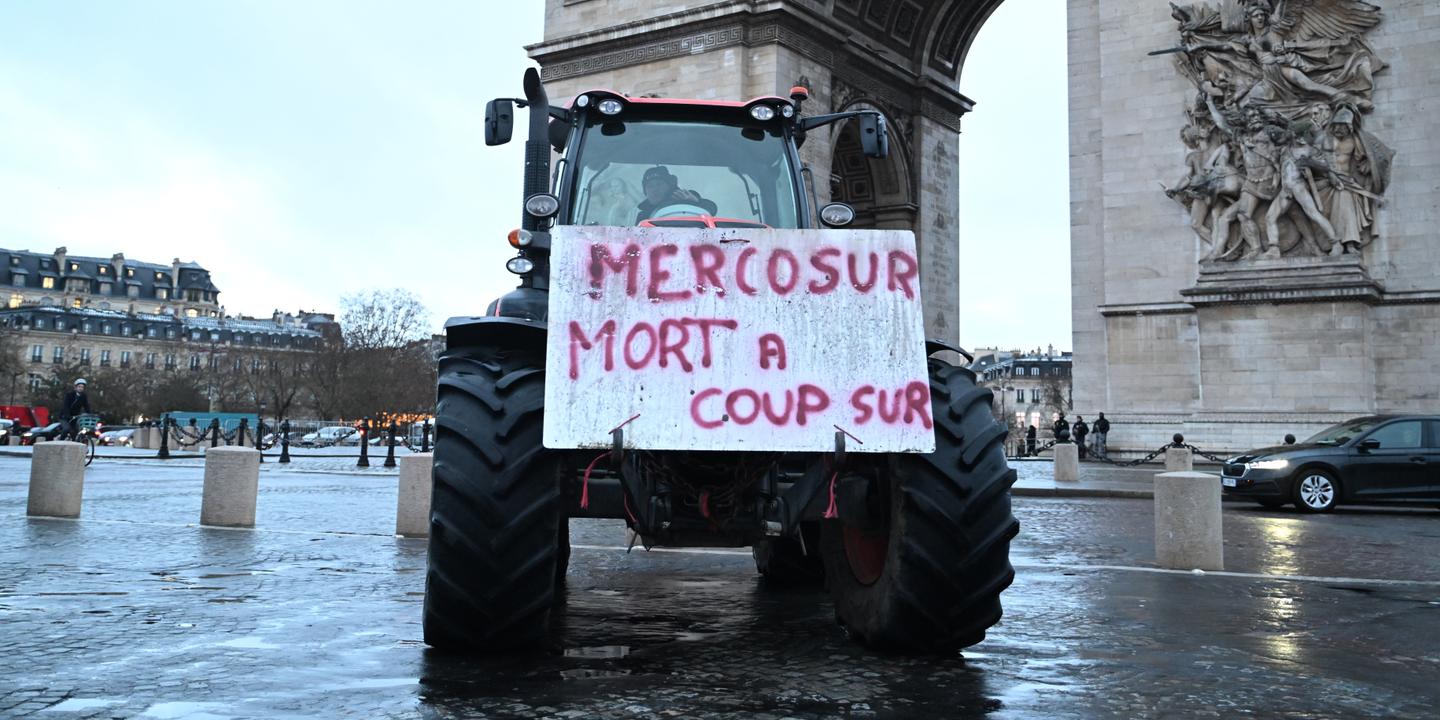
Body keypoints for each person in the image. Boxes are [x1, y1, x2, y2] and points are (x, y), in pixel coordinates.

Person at [635, 165, 717, 222]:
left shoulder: (686, 198)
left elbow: (711, 209)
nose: (655, 189)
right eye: (650, 186)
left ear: (669, 186)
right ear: (645, 192)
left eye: (659, 184)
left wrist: (695, 202)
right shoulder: (643, 216)